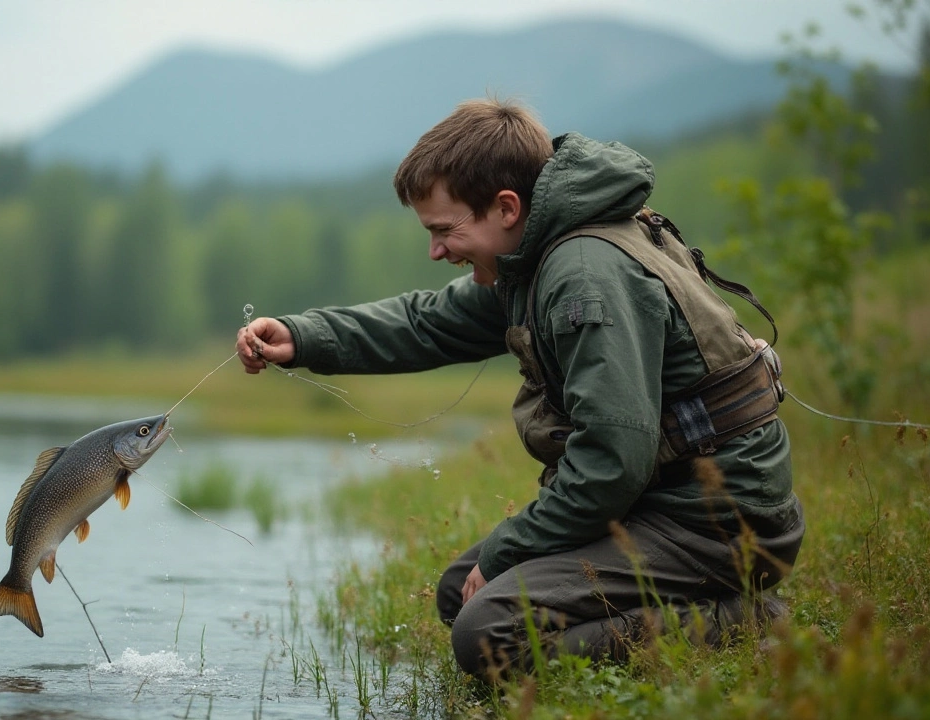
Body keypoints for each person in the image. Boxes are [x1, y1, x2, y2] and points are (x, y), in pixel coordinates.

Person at [235, 98, 804, 679]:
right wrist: (302, 337)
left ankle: (740, 620)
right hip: (661, 505)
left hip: (716, 524)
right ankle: (700, 612)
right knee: (462, 593)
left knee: (488, 636)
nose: (435, 251)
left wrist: (511, 547)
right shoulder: (536, 255)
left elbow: (612, 462)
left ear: (506, 207)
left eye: (443, 230)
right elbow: (427, 322)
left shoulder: (583, 275)